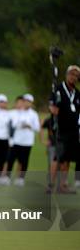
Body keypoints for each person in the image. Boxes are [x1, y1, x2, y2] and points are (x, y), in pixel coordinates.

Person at [48, 65, 80, 193]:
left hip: (74, 130)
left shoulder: (77, 94)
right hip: (61, 129)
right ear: (67, 75)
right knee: (58, 157)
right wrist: (55, 106)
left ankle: (63, 185)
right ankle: (51, 185)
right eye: (71, 74)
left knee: (67, 159)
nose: (73, 77)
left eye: (76, 75)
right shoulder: (58, 89)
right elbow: (52, 108)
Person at [0, 93, 40, 186]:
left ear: (31, 103)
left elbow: (37, 128)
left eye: (28, 101)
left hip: (27, 142)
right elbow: (12, 123)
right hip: (16, 140)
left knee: (24, 161)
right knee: (11, 159)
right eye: (25, 101)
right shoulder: (18, 112)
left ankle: (21, 179)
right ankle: (6, 178)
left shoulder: (34, 114)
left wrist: (29, 126)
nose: (26, 103)